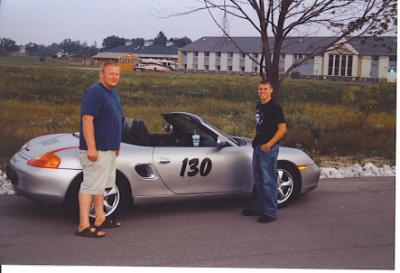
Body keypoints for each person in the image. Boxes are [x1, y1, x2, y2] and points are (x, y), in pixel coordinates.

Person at [76, 61, 123, 238]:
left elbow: (114, 120)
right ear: (101, 74)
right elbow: (87, 120)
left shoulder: (112, 93)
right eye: (110, 73)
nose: (114, 77)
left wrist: (116, 146)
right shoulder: (95, 92)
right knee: (90, 186)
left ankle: (100, 219)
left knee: (101, 186)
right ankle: (83, 225)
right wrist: (91, 148)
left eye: (117, 74)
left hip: (109, 149)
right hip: (97, 150)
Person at [242, 80, 287, 223]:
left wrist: (269, 144)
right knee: (259, 180)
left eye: (265, 89)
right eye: (260, 89)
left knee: (268, 181)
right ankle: (258, 207)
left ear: (271, 91)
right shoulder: (260, 106)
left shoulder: (275, 107)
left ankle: (270, 212)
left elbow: (282, 129)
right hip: (258, 146)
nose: (262, 91)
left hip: (268, 148)